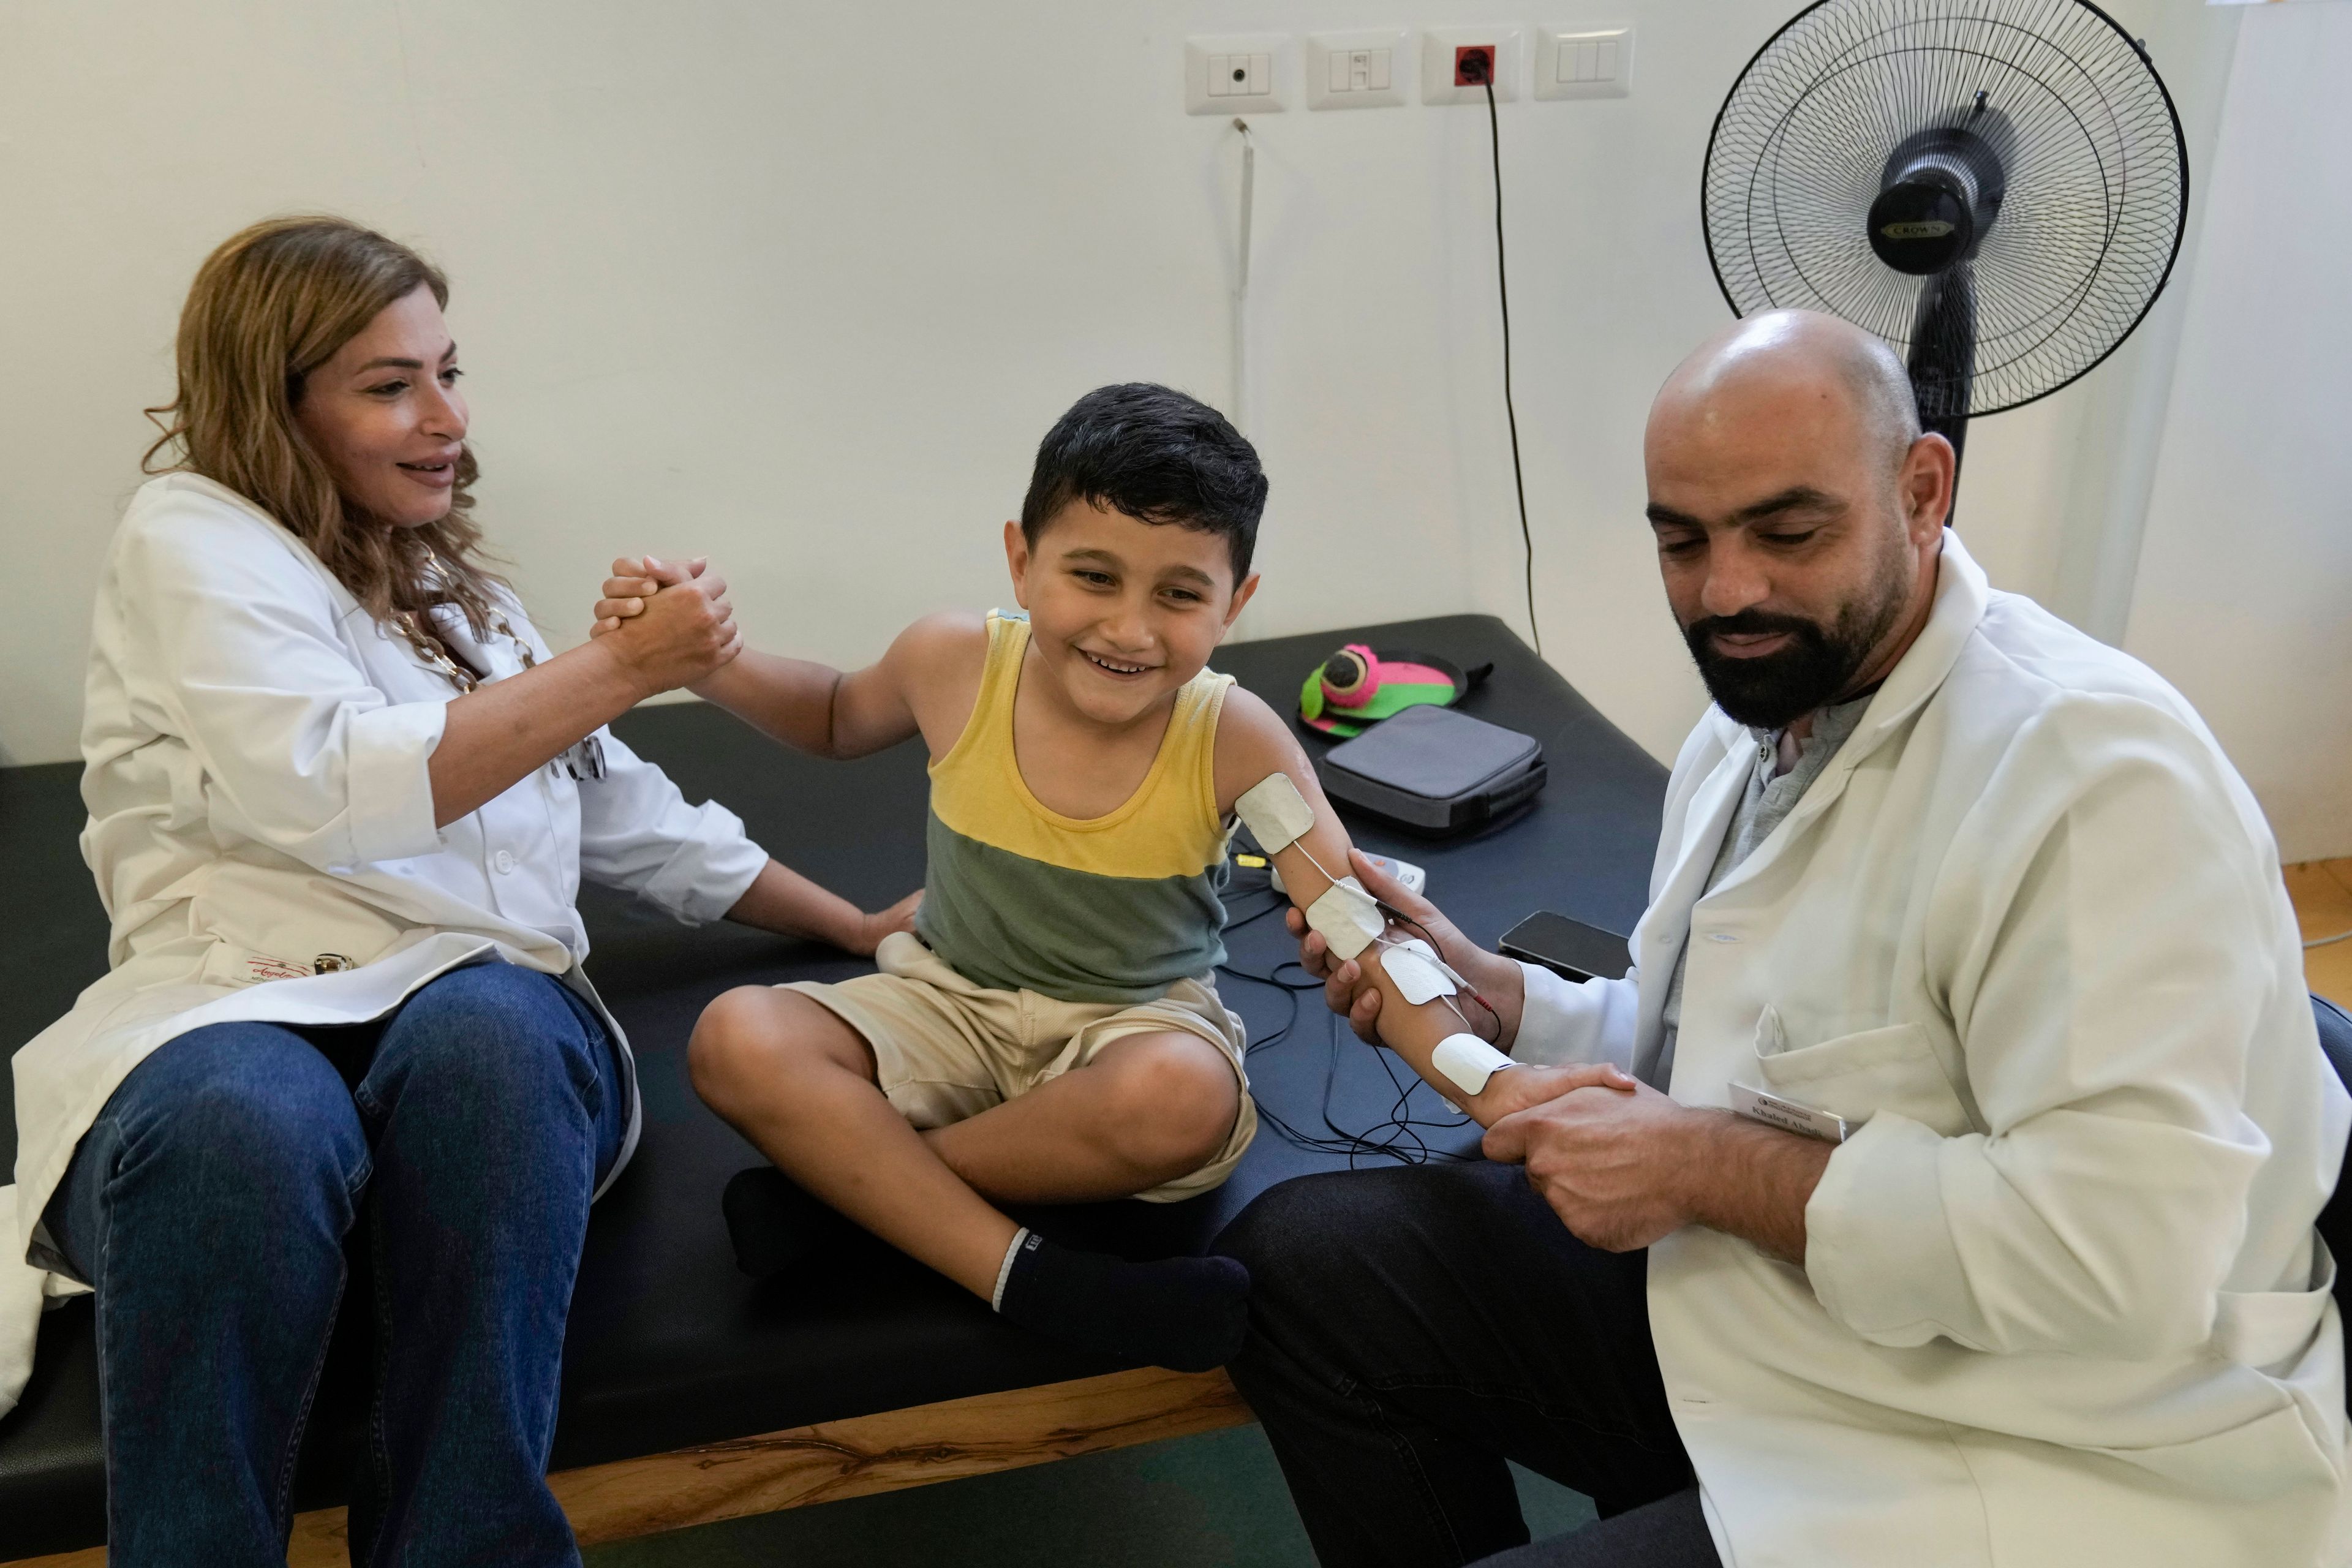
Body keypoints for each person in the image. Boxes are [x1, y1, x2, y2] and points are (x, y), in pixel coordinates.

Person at [1219, 310, 2350, 1567]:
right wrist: (1510, 1006)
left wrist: (1702, 1167)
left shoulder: (2095, 779)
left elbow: (2122, 1260)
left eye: (1787, 531)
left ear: (1923, 491)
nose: (1727, 590)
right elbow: (1766, 1046)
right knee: (1304, 1263)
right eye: (1682, 540)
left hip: (2048, 1449)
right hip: (1804, 1324)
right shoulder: (1771, 713)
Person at [0, 216, 914, 1566]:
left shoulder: (454, 589)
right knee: (245, 1125)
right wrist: (624, 662)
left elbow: (616, 808)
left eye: (449, 369)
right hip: (230, 1002)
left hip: (474, 1022)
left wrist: (843, 919)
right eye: (390, 385)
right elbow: (320, 781)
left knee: (487, 1026)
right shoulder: (189, 536)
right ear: (275, 402)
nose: (448, 419)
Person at [597, 383, 1563, 1373]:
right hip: (946, 1000)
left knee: (1183, 1100)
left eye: (1179, 595)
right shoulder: (952, 661)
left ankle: (854, 1193)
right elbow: (837, 716)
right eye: (1092, 577)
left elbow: (1363, 933)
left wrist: (1492, 1086)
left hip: (1128, 1029)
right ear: (1021, 562)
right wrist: (705, 661)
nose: (1129, 630)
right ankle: (1024, 1272)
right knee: (736, 1038)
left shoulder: (1234, 738)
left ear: (1235, 603)